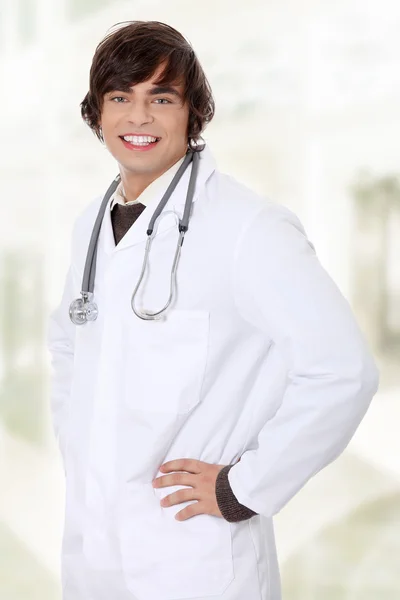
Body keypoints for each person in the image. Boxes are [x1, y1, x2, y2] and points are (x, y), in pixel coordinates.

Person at [47, 20, 380, 600]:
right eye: (120, 98)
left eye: (162, 98)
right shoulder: (91, 226)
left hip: (196, 558)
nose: (138, 117)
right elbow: (69, 342)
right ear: (96, 113)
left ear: (194, 112)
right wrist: (83, 449)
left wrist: (243, 488)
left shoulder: (248, 226)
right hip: (94, 553)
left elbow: (342, 370)